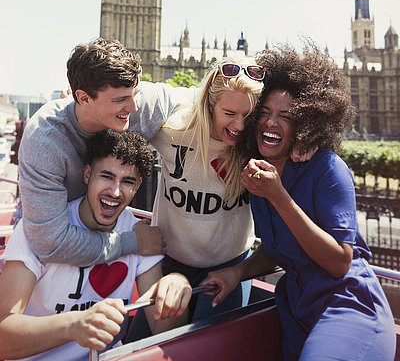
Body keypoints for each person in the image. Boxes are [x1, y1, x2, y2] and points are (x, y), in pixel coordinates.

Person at [201, 44, 396, 361]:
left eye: (285, 116)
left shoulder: (327, 169)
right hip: (298, 310)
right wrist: (237, 273)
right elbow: (279, 246)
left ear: (307, 123)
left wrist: (279, 196)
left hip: (349, 307)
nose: (270, 123)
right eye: (263, 113)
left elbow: (339, 262)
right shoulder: (258, 172)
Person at [127, 59, 313, 340]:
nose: (239, 125)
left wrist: (306, 137)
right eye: (229, 113)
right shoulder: (172, 130)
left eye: (248, 116)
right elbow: (117, 111)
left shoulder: (257, 144)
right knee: (139, 347)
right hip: (170, 265)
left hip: (230, 268)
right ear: (210, 105)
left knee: (209, 346)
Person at [0, 129, 192, 361]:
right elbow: (3, 336)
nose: (115, 192)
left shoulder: (139, 233)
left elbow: (165, 330)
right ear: (87, 174)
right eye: (107, 177)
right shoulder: (40, 228)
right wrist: (74, 326)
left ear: (139, 185)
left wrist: (176, 286)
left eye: (127, 181)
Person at [18, 38, 195, 267]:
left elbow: (208, 98)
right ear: (83, 97)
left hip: (104, 237)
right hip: (46, 257)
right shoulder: (45, 139)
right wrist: (130, 242)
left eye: (135, 93)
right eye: (120, 100)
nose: (133, 107)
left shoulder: (139, 103)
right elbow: (50, 243)